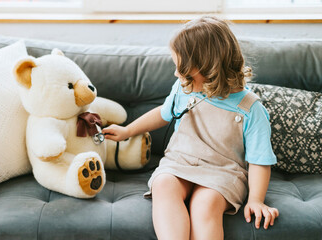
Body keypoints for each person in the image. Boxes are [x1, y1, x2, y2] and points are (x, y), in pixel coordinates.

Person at [102, 16, 279, 240]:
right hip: (180, 161)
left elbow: (259, 161)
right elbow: (163, 114)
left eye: (182, 69)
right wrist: (128, 131)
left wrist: (256, 199)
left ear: (209, 69)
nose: (176, 74)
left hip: (223, 172)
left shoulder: (250, 108)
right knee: (163, 184)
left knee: (205, 204)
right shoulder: (183, 87)